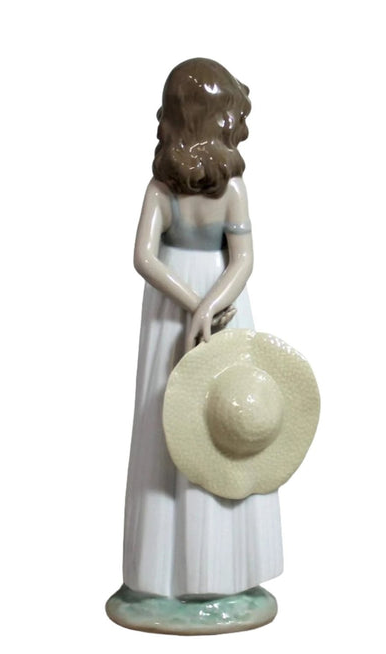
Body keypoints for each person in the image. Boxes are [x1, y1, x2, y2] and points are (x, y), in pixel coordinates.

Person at [119, 58, 283, 605]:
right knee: (186, 420)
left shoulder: (163, 190)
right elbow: (241, 261)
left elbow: (147, 258)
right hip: (218, 305)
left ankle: (168, 574)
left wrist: (196, 307)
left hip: (178, 305)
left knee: (216, 415)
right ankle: (214, 570)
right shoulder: (228, 189)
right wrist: (207, 305)